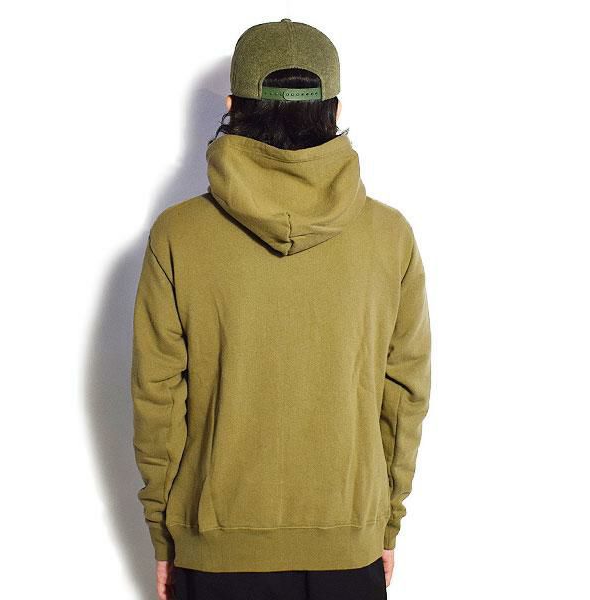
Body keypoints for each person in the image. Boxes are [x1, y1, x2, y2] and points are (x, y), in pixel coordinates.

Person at [131, 17, 432, 600]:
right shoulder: (390, 237)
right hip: (348, 548)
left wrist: (164, 536)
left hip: (215, 553)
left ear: (231, 106)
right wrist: (384, 523)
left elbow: (157, 399)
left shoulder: (178, 235)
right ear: (335, 110)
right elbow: (405, 396)